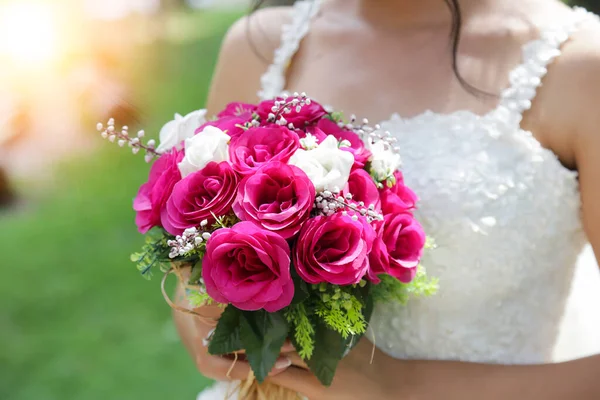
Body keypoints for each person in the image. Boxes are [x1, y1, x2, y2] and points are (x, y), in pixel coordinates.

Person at [174, 0, 600, 398]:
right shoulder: (262, 44)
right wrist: (217, 311)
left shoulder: (578, 64)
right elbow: (193, 290)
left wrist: (401, 386)